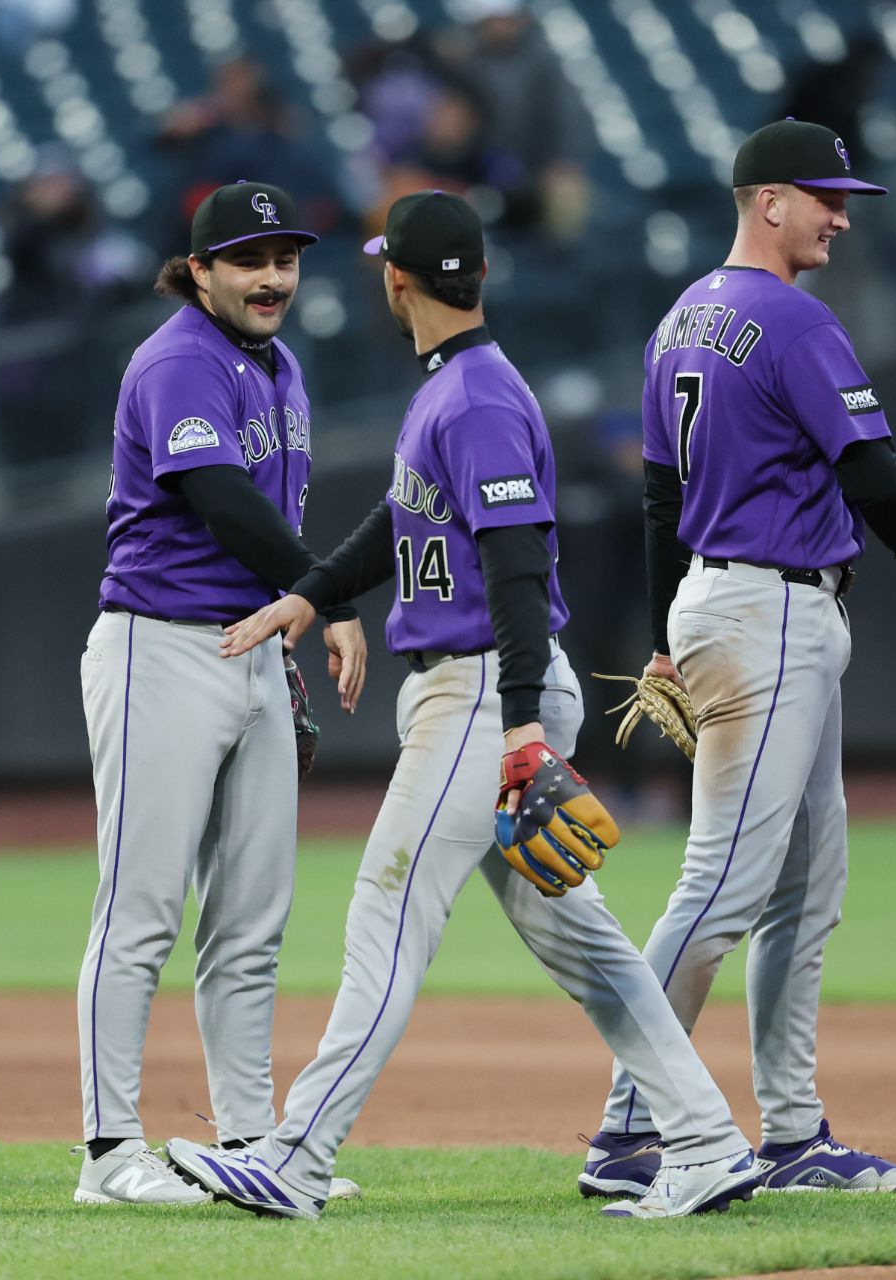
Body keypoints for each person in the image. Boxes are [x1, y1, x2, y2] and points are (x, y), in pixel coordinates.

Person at [162, 190, 764, 1220]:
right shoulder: (457, 387)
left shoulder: (477, 398)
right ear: (475, 276)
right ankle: (707, 1141)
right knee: (585, 943)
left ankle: (295, 1157)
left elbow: (519, 564)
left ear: (396, 279)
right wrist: (312, 591)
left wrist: (524, 723)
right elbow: (400, 522)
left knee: (385, 914)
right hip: (486, 687)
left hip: (486, 689)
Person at [577, 119, 896, 1201]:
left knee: (806, 887)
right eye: (825, 197)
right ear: (768, 200)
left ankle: (795, 1131)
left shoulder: (680, 320)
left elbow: (663, 498)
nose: (841, 215)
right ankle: (627, 1127)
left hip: (732, 602)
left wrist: (666, 628)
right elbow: (871, 463)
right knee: (722, 887)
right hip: (770, 613)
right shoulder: (793, 319)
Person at [74, 181, 366, 1206]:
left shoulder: (279, 366)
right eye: (250, 259)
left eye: (286, 257)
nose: (274, 276)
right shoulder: (177, 360)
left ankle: (250, 1140)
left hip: (249, 650)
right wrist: (323, 594)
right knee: (140, 908)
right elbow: (217, 496)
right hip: (161, 641)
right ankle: (109, 1152)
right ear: (198, 270)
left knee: (252, 917)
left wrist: (293, 619)